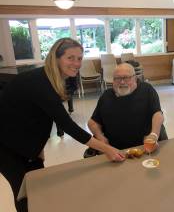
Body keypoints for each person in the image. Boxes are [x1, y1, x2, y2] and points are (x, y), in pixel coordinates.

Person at [0, 38, 125, 212]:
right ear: (56, 58)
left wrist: (38, 148)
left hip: (26, 141)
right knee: (25, 193)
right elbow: (68, 126)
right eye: (70, 58)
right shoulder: (39, 82)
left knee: (39, 186)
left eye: (80, 58)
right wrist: (108, 149)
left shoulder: (60, 79)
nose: (76, 63)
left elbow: (40, 116)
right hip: (6, 146)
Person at [84, 63, 166, 157]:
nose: (122, 82)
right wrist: (101, 138)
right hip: (115, 151)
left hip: (144, 148)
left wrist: (153, 135)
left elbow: (158, 114)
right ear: (113, 80)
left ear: (135, 78)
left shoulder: (147, 90)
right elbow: (92, 122)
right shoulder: (106, 96)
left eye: (126, 78)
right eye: (118, 78)